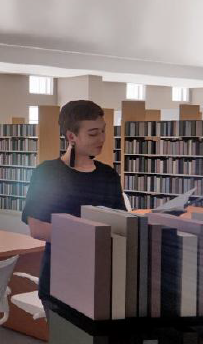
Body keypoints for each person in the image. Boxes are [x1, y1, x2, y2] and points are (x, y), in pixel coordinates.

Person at [22, 100, 126, 301]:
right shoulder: (48, 173)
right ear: (71, 136)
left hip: (102, 277)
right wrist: (94, 237)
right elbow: (38, 228)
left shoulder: (108, 175)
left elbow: (120, 222)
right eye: (93, 134)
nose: (102, 139)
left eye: (103, 131)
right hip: (60, 278)